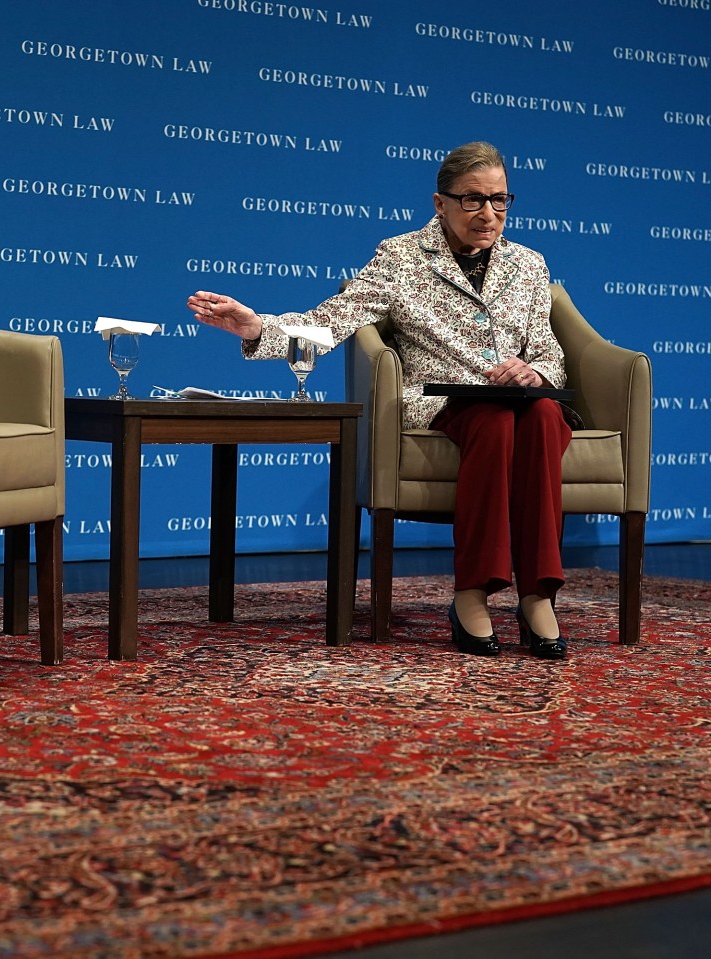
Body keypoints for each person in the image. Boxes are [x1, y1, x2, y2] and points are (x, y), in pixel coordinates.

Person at [186, 141, 570, 660]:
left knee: (546, 413)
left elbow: (548, 350)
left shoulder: (528, 264)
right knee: (495, 421)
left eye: (500, 201)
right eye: (473, 200)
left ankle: (538, 593)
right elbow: (334, 319)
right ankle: (472, 591)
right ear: (440, 203)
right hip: (443, 400)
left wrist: (535, 370)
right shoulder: (402, 258)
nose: (489, 214)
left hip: (518, 398)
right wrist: (257, 327)